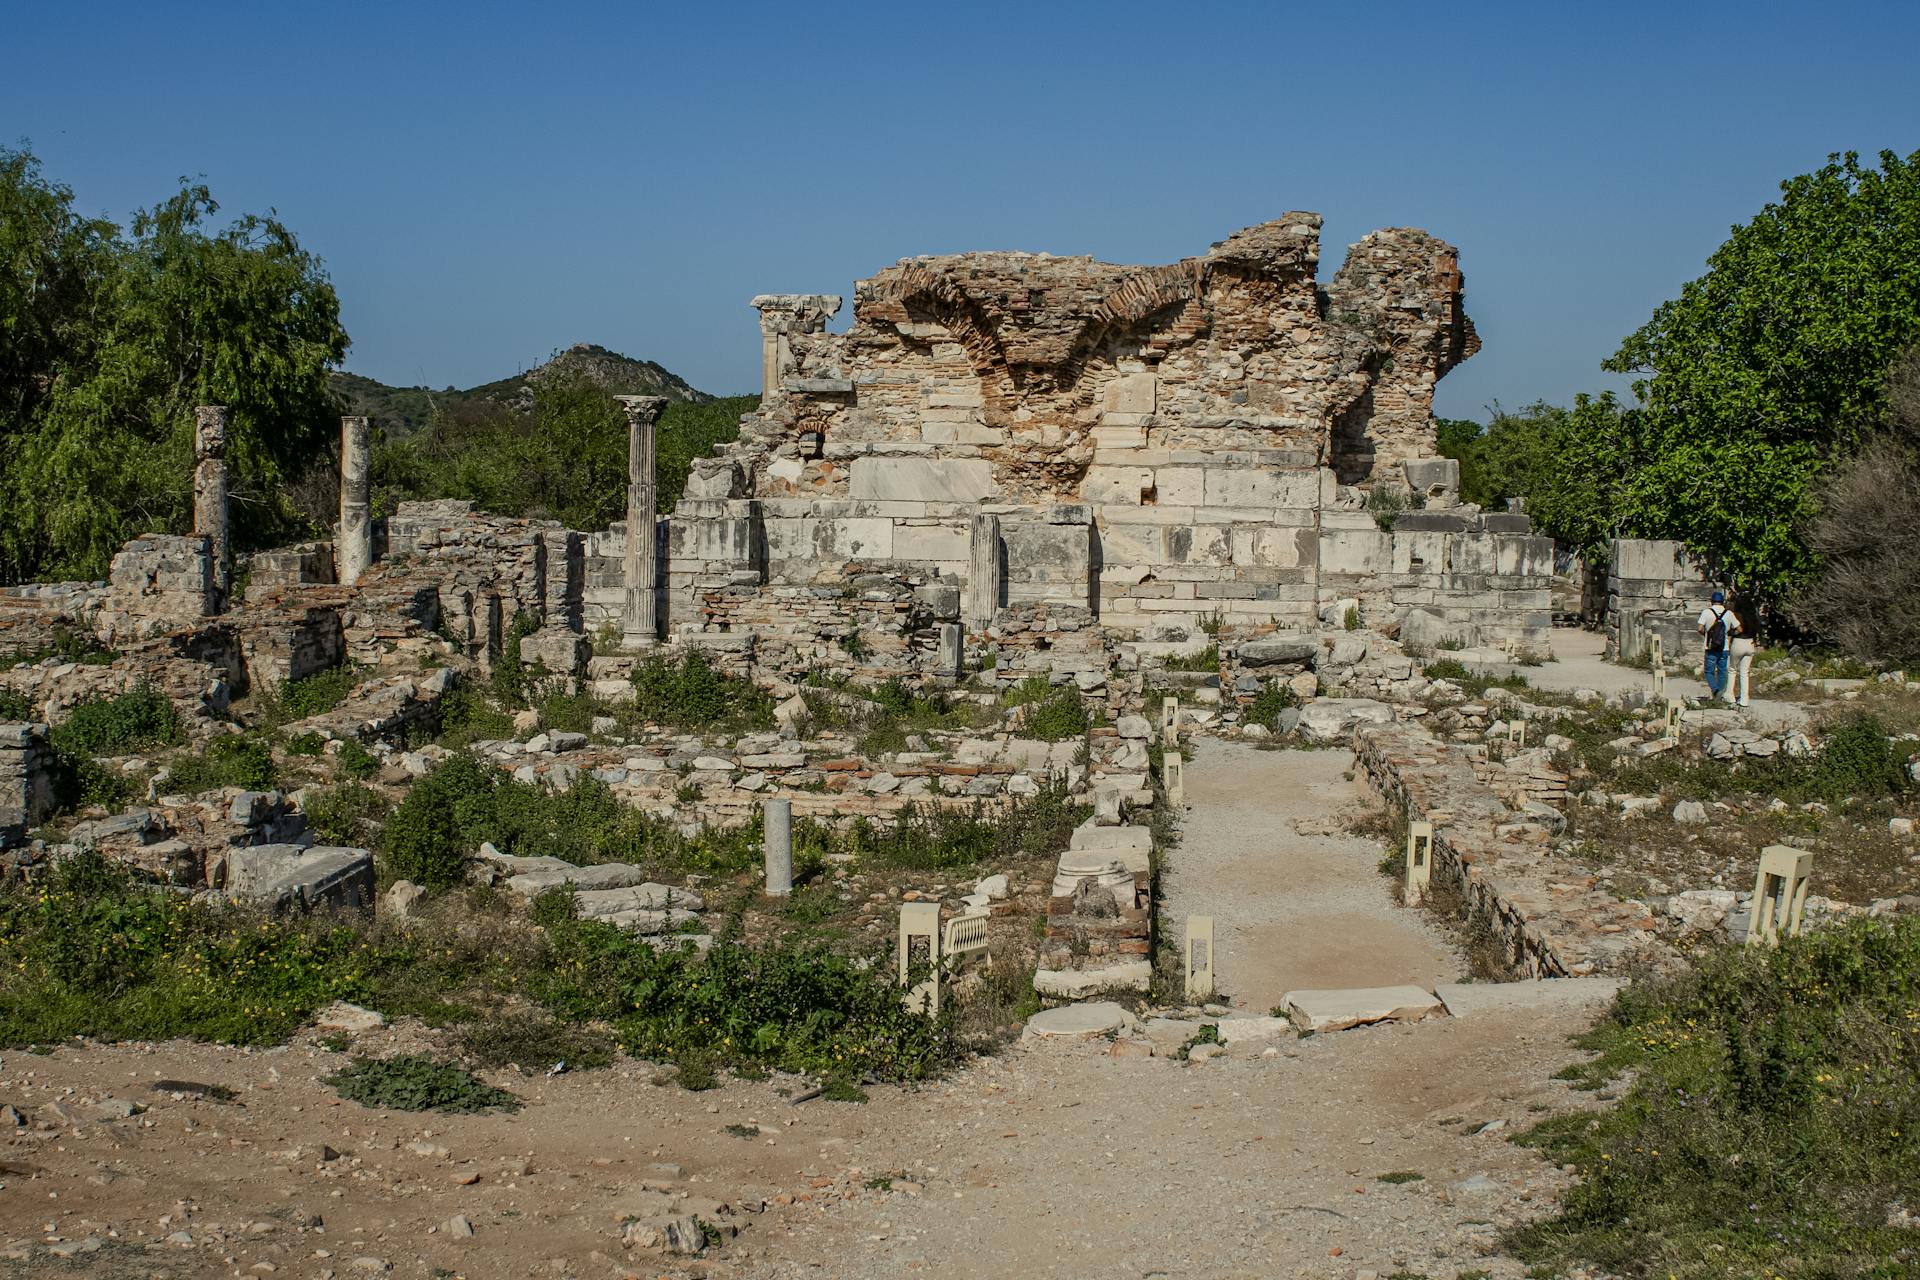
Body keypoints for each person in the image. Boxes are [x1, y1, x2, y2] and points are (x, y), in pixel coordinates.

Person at [1697, 589, 1742, 704]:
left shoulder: (1706, 612)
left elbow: (1700, 628)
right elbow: (1739, 629)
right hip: (1724, 647)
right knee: (1722, 672)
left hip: (1710, 647)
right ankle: (1720, 695)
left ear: (1712, 601)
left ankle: (1715, 690)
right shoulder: (1729, 613)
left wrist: (1706, 635)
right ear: (1723, 602)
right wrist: (1729, 634)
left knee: (1709, 672)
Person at [1728, 595, 1759, 708]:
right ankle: (1744, 699)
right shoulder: (1754, 616)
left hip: (1738, 642)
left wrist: (1731, 634)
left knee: (1732, 670)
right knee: (1745, 672)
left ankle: (1729, 696)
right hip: (1750, 643)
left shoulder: (1736, 615)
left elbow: (1733, 630)